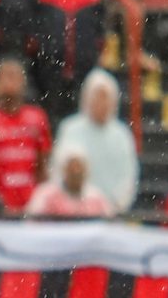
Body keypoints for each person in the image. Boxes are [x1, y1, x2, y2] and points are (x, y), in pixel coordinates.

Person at [0, 55, 52, 213]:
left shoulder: (37, 117)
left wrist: (40, 201)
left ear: (24, 82)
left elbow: (43, 166)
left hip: (32, 208)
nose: (9, 82)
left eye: (13, 76)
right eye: (4, 76)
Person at [53, 69, 137, 211]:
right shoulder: (70, 129)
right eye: (97, 97)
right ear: (87, 97)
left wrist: (112, 207)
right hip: (73, 212)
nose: (101, 103)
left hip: (111, 214)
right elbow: (57, 170)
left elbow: (128, 178)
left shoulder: (122, 135)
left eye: (106, 98)